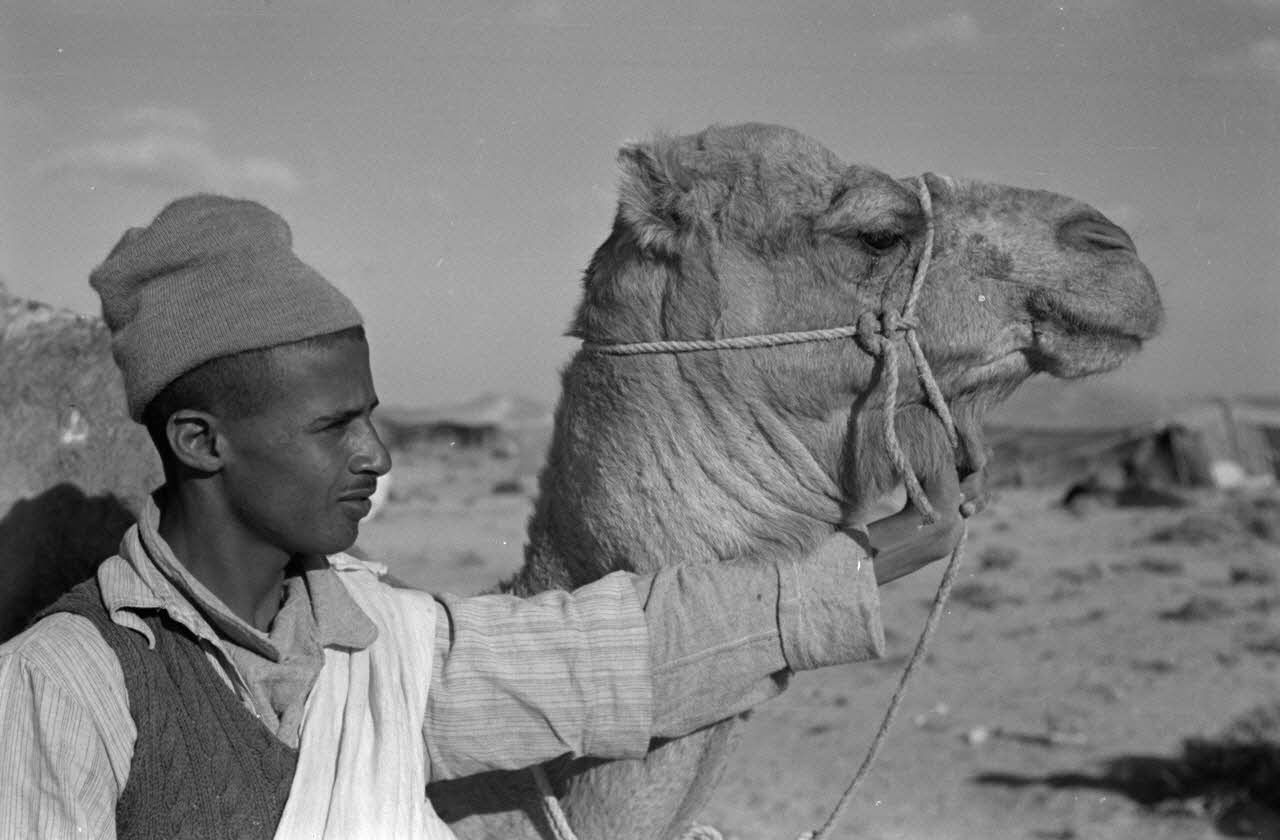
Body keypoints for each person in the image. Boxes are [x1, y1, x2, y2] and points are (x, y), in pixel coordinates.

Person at [0, 195, 980, 839]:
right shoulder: (65, 688)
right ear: (202, 443)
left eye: (373, 417)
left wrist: (881, 553)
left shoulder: (385, 652)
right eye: (333, 426)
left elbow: (626, 654)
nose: (376, 455)